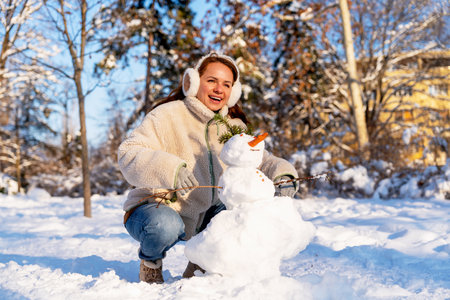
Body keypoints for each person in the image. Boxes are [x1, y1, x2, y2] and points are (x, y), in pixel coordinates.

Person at [117, 51, 299, 284]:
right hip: (156, 208)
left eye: (226, 84)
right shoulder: (167, 115)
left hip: (205, 215)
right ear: (192, 82)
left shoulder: (232, 126)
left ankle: (203, 263)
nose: (218, 89)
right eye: (211, 81)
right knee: (164, 226)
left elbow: (258, 157)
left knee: (237, 211)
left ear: (233, 92)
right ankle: (151, 262)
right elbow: (129, 151)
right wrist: (170, 169)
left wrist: (282, 174)